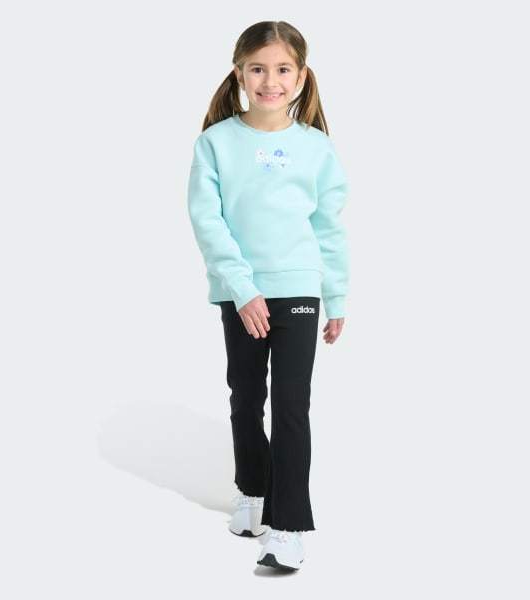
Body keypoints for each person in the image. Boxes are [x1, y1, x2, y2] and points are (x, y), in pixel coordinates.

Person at [186, 20, 349, 572]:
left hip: (299, 290)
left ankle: (288, 527)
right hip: (241, 294)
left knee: (291, 406)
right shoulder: (215, 143)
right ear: (239, 73)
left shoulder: (316, 148)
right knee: (245, 395)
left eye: (282, 69)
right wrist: (243, 289)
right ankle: (253, 492)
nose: (270, 80)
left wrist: (336, 297)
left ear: (300, 77)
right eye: (257, 69)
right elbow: (208, 221)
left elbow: (329, 227)